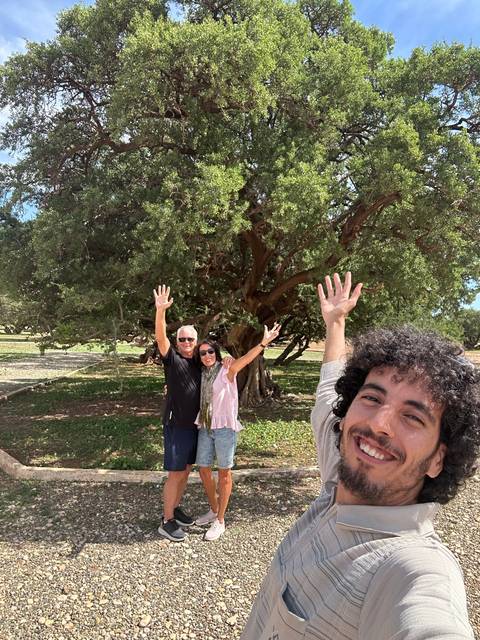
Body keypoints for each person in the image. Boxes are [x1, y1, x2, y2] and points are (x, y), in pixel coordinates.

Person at [240, 272, 479, 639]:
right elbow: (327, 393)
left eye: (412, 417)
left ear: (438, 459)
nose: (379, 424)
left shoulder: (410, 570)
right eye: (372, 397)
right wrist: (336, 323)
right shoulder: (338, 474)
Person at [194, 324, 281, 541]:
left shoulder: (227, 370)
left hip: (225, 429)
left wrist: (264, 342)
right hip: (205, 426)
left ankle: (220, 520)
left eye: (210, 351)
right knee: (204, 470)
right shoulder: (201, 374)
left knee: (224, 473)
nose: (206, 356)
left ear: (217, 352)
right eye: (202, 353)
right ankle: (214, 510)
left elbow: (248, 359)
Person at [153, 284, 201, 542]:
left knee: (185, 471)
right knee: (175, 473)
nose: (185, 343)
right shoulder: (172, 359)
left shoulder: (199, 362)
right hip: (176, 426)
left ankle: (176, 507)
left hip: (195, 426)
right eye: (181, 339)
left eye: (189, 339)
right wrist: (160, 312)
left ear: (196, 341)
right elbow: (161, 338)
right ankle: (166, 520)